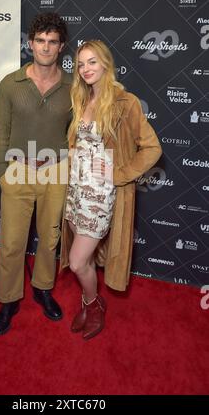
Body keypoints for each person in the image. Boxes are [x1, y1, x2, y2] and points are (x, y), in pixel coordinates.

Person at [60, 40, 162, 340]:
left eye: (92, 62)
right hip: (77, 191)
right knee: (84, 259)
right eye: (80, 64)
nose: (86, 69)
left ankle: (93, 306)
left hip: (101, 196)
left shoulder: (125, 102)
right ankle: (89, 301)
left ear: (106, 63)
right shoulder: (80, 99)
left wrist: (119, 174)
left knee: (78, 261)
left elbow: (152, 148)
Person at [0, 12, 72, 336]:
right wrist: (2, 172)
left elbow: (78, 131)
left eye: (52, 42)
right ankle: (8, 299)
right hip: (18, 170)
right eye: (40, 41)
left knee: (50, 239)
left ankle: (42, 287)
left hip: (55, 171)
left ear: (61, 46)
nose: (46, 47)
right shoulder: (11, 83)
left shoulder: (73, 86)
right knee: (11, 242)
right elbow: (0, 132)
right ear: (30, 44)